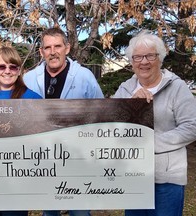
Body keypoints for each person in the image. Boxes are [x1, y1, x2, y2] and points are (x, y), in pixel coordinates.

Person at [113, 30, 196, 216]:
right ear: (132, 61)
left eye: (150, 55)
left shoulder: (176, 87)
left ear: (160, 58)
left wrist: (152, 144)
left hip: (167, 179)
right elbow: (111, 126)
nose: (144, 62)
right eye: (138, 57)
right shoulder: (125, 89)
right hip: (133, 176)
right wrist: (131, 105)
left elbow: (192, 126)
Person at [23, 27, 104, 216]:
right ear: (41, 52)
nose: (53, 52)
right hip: (44, 161)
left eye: (57, 46)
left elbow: (102, 114)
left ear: (67, 48)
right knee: (50, 212)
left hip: (78, 160)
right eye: (48, 47)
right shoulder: (28, 79)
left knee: (80, 213)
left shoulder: (85, 77)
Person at [0, 46, 41, 216]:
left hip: (19, 179)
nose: (7, 71)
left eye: (12, 67)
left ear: (19, 70)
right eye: (1, 66)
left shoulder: (33, 98)